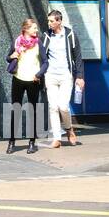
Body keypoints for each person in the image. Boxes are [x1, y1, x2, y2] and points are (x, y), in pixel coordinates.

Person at [40, 10, 83, 148]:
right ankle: (57, 138)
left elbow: (78, 57)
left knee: (63, 106)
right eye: (49, 21)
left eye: (52, 21)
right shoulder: (46, 35)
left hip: (66, 75)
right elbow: (40, 55)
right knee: (53, 107)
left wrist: (80, 76)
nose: (49, 23)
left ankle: (69, 129)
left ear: (59, 21)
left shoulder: (70, 34)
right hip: (50, 75)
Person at [5, 18, 43, 154]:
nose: (36, 30)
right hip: (18, 79)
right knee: (16, 110)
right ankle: (11, 142)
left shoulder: (39, 43)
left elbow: (45, 62)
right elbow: (7, 58)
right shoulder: (17, 41)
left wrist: (39, 74)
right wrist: (12, 56)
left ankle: (32, 142)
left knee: (32, 111)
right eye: (34, 28)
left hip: (33, 80)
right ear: (26, 29)